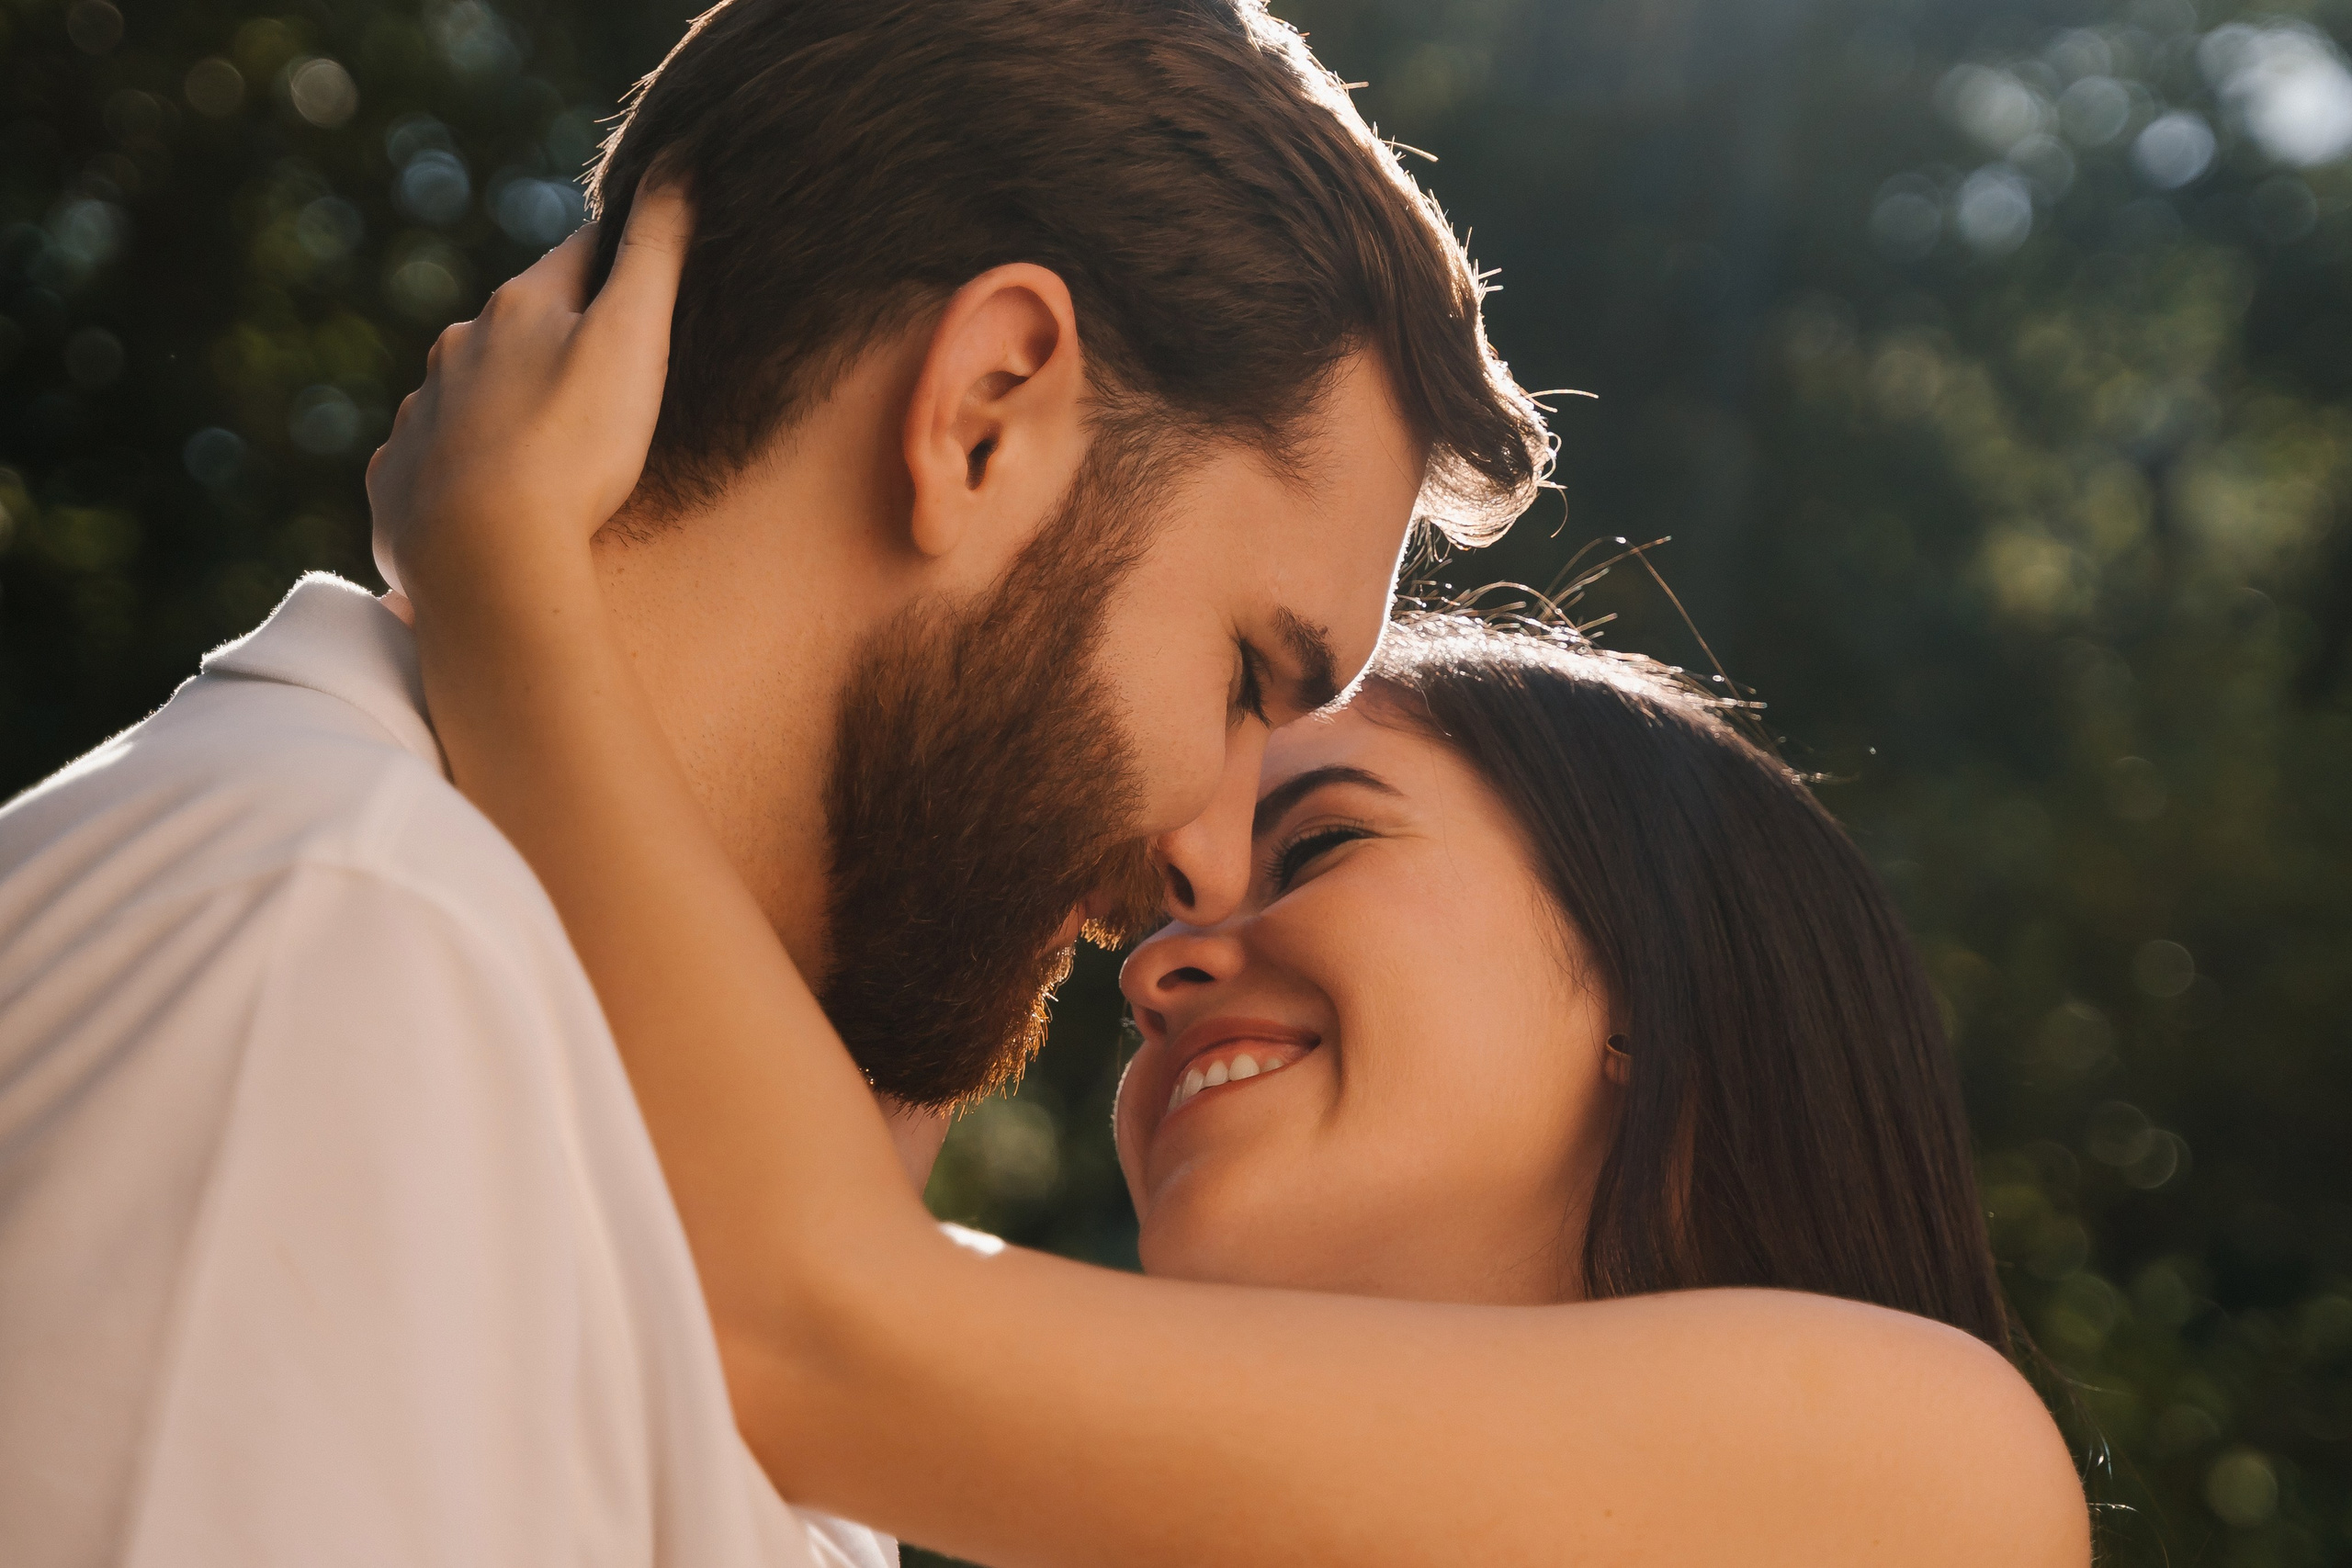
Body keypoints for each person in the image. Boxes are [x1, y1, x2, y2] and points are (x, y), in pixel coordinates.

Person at [0, 3, 1547, 1564]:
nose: (1213, 867)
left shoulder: (618, 1137)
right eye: (1240, 677)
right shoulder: (336, 954)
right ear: (986, 411)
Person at [373, 177, 2093, 1566]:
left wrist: (506, 575)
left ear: (1662, 985)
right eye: (1177, 888)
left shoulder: (1925, 1466)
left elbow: (797, 1320)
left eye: (1319, 844)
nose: (1155, 955)